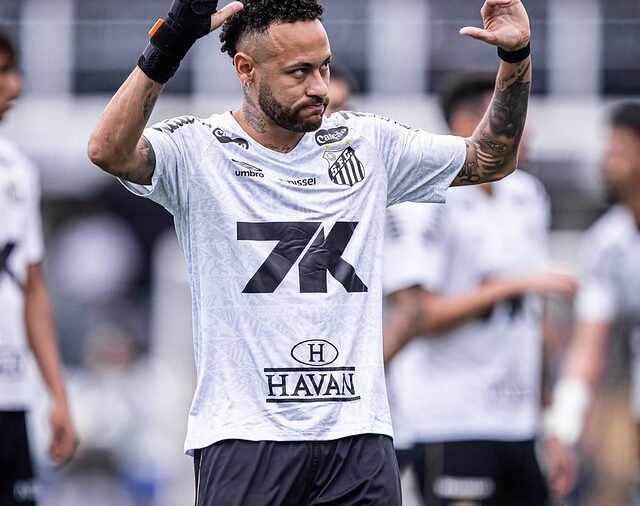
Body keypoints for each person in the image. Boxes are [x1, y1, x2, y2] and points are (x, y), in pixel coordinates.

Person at [87, 0, 533, 504]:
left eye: (324, 67)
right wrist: (169, 42)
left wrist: (515, 55)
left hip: (358, 438)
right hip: (245, 437)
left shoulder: (369, 144)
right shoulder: (197, 150)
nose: (320, 87)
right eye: (300, 72)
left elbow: (492, 158)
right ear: (246, 69)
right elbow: (108, 150)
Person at [383, 71, 577, 505]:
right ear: (467, 124)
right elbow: (418, 315)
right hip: (450, 419)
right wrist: (509, 286)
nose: (528, 130)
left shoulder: (528, 195)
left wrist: (551, 426)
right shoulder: (422, 197)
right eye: (514, 115)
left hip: (518, 423)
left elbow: (534, 322)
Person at [545, 101, 640, 501]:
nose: (607, 162)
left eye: (620, 151)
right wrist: (564, 426)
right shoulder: (608, 242)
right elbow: (589, 344)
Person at [0, 32, 77, 506]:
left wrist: (57, 395)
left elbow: (31, 287)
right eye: (3, 72)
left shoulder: (16, 170)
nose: (17, 85)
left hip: (10, 393)